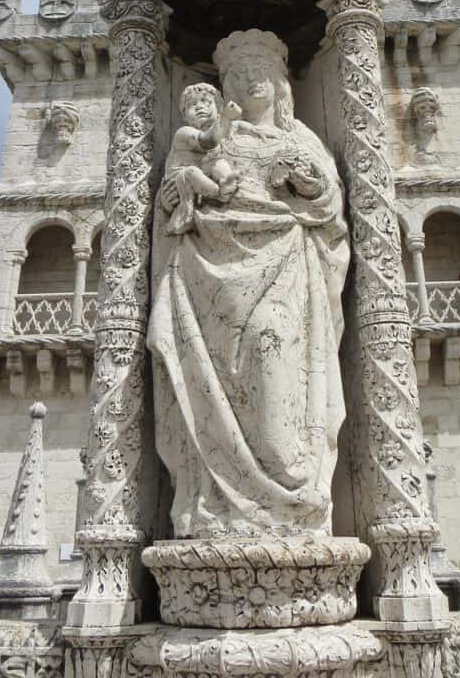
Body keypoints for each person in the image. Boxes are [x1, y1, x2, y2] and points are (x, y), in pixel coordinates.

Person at [148, 30, 349, 539]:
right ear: (226, 87)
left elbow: (329, 205)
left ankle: (292, 490)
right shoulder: (216, 136)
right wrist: (182, 192)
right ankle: (216, 501)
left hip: (285, 262)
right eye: (239, 74)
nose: (251, 78)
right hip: (209, 268)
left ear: (282, 84)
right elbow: (175, 194)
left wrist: (305, 182)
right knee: (219, 374)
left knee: (271, 348)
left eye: (262, 71)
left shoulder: (301, 139)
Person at [163, 82, 242, 236]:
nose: (199, 106)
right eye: (192, 104)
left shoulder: (230, 134)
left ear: (218, 108)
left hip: (203, 182)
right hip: (181, 181)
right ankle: (219, 193)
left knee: (219, 164)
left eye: (206, 101)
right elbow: (208, 141)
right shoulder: (184, 133)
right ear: (185, 115)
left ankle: (226, 184)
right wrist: (226, 117)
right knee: (193, 172)